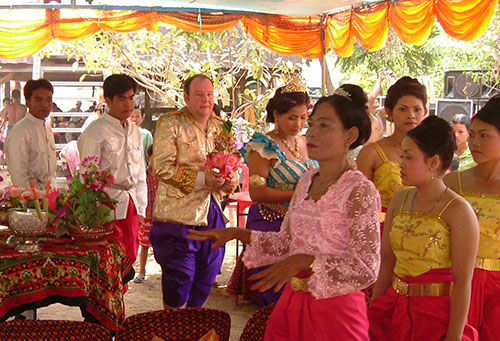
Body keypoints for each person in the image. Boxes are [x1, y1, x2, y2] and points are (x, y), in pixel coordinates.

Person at [189, 85, 380, 340]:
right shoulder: (306, 181)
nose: (310, 131)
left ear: (350, 135)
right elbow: (285, 242)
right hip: (293, 302)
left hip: (336, 310)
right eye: (310, 124)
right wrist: (236, 232)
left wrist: (305, 261)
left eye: (323, 125)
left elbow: (366, 268)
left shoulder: (359, 189)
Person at [369, 116, 479, 340]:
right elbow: (388, 260)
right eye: (402, 156)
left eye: (408, 157)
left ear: (433, 162)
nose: (400, 164)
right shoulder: (400, 199)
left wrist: (454, 336)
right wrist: (374, 309)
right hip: (394, 307)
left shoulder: (458, 210)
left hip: (435, 316)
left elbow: (462, 282)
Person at [150, 74, 237, 309]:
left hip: (212, 211)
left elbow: (232, 163)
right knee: (180, 276)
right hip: (178, 215)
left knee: (206, 277)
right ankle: (174, 328)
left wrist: (231, 180)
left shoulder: (222, 126)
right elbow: (160, 167)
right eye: (199, 95)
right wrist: (202, 179)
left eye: (209, 94)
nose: (205, 100)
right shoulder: (171, 123)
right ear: (186, 97)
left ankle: (193, 326)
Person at [229, 77, 317, 307]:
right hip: (270, 223)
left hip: (304, 228)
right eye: (292, 117)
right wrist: (301, 194)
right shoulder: (264, 145)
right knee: (275, 292)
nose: (298, 124)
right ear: (276, 115)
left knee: (300, 294)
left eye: (303, 118)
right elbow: (257, 193)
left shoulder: (308, 142)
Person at [444, 96, 500, 340]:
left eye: (484, 135)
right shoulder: (451, 183)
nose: (474, 141)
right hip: (455, 283)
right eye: (473, 134)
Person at [78, 74, 147, 264]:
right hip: (106, 203)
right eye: (122, 99)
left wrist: (142, 207)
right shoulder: (95, 131)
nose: (128, 104)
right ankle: (113, 294)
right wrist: (92, 210)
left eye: (131, 98)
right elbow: (87, 175)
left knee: (130, 255)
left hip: (131, 201)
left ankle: (121, 293)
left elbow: (140, 170)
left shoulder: (136, 131)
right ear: (108, 101)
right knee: (109, 257)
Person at [357, 77, 428, 234]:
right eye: (403, 109)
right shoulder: (371, 153)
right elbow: (360, 205)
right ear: (389, 112)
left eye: (417, 109)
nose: (411, 116)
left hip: (424, 234)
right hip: (382, 234)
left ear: (425, 112)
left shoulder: (433, 153)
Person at [5, 79, 56, 190]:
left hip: (49, 198)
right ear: (28, 102)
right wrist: (32, 200)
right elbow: (19, 177)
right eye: (38, 100)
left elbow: (51, 174)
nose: (45, 105)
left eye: (48, 100)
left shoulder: (48, 131)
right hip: (31, 201)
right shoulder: (20, 131)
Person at [134, 144, 158, 284]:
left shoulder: (164, 176)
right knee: (144, 245)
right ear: (148, 158)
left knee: (162, 246)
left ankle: (166, 270)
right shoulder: (143, 175)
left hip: (160, 217)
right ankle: (142, 271)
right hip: (147, 216)